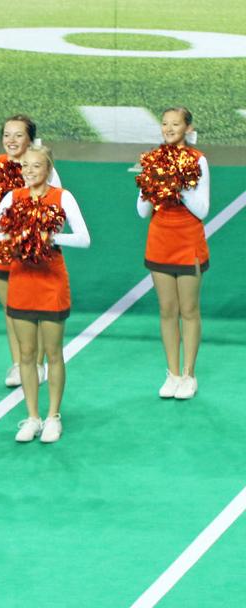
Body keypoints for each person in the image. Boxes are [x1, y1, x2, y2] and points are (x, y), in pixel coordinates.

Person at [0, 145, 90, 443]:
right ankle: (32, 416)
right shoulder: (12, 197)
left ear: (48, 169)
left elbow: (84, 238)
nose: (30, 171)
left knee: (54, 353)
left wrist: (50, 237)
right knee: (27, 355)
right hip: (22, 280)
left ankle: (53, 416)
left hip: (51, 281)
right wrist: (19, 235)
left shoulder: (61, 196)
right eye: (26, 166)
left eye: (37, 166)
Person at [0, 115, 61, 387]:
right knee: (12, 309)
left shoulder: (42, 165)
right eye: (7, 134)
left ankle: (37, 363)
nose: (11, 141)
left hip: (34, 249)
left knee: (36, 307)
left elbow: (58, 202)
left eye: (18, 135)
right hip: (2, 248)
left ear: (30, 139)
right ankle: (19, 363)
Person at [136, 107, 210, 400]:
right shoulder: (153, 159)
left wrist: (176, 186)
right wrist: (150, 185)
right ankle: (173, 374)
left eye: (175, 124)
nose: (168, 128)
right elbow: (141, 211)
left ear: (187, 128)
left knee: (188, 310)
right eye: (165, 124)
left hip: (188, 240)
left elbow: (202, 209)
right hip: (159, 240)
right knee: (167, 310)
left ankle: (189, 375)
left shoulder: (198, 160)